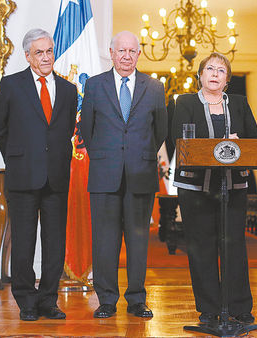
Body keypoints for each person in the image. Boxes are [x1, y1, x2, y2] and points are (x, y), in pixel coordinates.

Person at [80, 31, 167, 319]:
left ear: (138, 54)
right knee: (104, 240)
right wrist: (107, 157)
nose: (127, 56)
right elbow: (87, 131)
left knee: (138, 240)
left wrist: (138, 155)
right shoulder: (94, 86)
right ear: (111, 53)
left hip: (141, 173)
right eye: (121, 51)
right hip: (104, 173)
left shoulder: (154, 87)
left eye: (132, 51)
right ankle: (106, 300)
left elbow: (160, 131)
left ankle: (137, 300)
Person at [0, 28, 77, 321]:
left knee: (54, 244)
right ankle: (27, 300)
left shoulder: (68, 90)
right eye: (38, 52)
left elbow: (64, 130)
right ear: (27, 56)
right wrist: (17, 157)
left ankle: (48, 300)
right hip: (22, 176)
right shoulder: (11, 85)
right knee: (24, 242)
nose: (45, 57)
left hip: (56, 177)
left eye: (49, 51)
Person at [171, 52, 257, 324]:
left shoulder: (239, 103)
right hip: (194, 187)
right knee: (201, 247)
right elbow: (181, 140)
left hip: (232, 186)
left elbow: (254, 141)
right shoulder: (185, 102)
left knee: (233, 246)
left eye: (220, 70)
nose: (214, 74)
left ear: (227, 79)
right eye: (209, 68)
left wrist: (238, 142)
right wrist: (220, 143)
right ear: (200, 75)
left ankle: (240, 306)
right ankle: (208, 309)